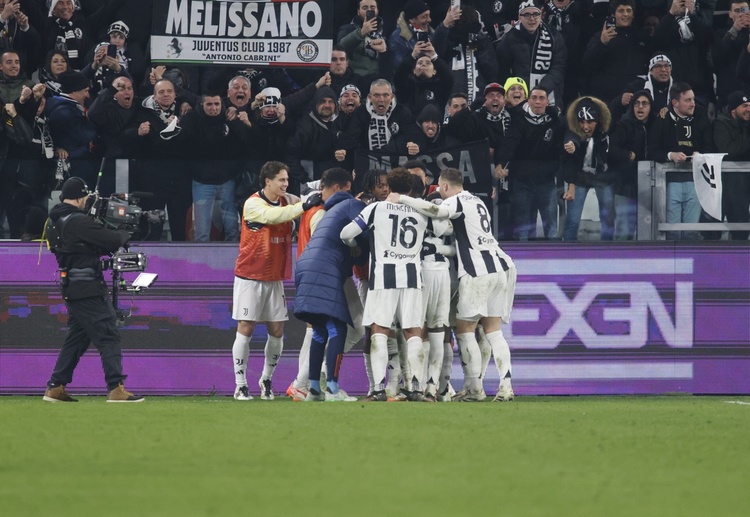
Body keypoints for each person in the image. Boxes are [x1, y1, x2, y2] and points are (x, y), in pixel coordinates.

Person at [386, 167, 517, 402]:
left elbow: (435, 211)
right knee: (494, 331)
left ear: (445, 186)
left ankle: (475, 389)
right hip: (502, 266)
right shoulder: (477, 201)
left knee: (465, 330)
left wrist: (403, 199)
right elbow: (465, 241)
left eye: (439, 186)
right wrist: (440, 248)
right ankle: (506, 386)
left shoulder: (456, 201)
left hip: (478, 271)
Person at [340, 167, 446, 401]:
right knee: (413, 331)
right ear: (410, 188)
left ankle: (378, 389)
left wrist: (353, 245)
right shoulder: (420, 210)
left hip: (383, 278)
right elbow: (440, 227)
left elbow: (346, 233)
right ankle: (416, 388)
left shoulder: (375, 208)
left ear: (389, 187)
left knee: (379, 329)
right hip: (412, 276)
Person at [42, 176, 144, 403]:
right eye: (86, 198)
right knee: (108, 335)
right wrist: (125, 231)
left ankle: (55, 386)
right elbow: (111, 240)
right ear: (80, 198)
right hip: (88, 287)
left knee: (77, 338)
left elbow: (84, 245)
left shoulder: (53, 220)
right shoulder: (78, 221)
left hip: (71, 285)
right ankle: (115, 388)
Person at [231, 161, 319, 401]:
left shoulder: (287, 200)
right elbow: (274, 216)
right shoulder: (253, 204)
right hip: (250, 275)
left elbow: (307, 198)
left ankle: (266, 380)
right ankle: (240, 385)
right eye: (281, 179)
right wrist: (303, 205)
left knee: (277, 330)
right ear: (267, 181)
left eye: (287, 179)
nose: (285, 184)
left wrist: (318, 193)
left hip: (275, 276)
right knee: (246, 327)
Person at [294, 168, 366, 402]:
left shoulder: (327, 211)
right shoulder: (352, 205)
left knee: (320, 330)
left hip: (305, 266)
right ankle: (332, 389)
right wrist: (358, 245)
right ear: (343, 188)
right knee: (337, 329)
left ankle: (314, 389)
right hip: (325, 270)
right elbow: (366, 236)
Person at [495, 85, 564, 240]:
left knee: (551, 227)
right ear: (528, 101)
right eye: (534, 98)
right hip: (521, 182)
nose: (537, 101)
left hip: (546, 181)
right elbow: (509, 144)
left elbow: (562, 146)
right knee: (522, 227)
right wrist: (500, 163)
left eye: (541, 98)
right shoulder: (518, 119)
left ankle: (555, 255)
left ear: (547, 102)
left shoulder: (556, 122)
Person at [648, 82, 713, 240]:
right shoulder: (662, 119)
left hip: (695, 182)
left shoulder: (701, 115)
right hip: (670, 183)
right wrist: (671, 155)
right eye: (688, 100)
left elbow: (710, 145)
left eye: (693, 99)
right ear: (675, 102)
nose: (693, 104)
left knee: (691, 232)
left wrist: (701, 155)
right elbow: (651, 150)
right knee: (673, 233)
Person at [181, 93, 250, 242]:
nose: (214, 108)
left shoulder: (230, 118)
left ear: (222, 104)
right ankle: (202, 258)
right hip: (201, 182)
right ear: (202, 105)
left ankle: (232, 257)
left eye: (217, 104)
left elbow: (245, 142)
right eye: (209, 104)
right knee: (202, 232)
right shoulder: (192, 120)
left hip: (227, 182)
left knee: (232, 229)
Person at [562, 96, 628, 241]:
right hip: (579, 179)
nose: (585, 127)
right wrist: (572, 145)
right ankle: (567, 251)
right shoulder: (572, 132)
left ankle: (607, 251)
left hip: (604, 178)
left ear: (597, 121)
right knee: (572, 220)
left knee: (608, 219)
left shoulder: (607, 131)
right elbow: (571, 143)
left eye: (589, 122)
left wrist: (626, 155)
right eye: (582, 122)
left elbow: (617, 111)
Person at [495, 1, 568, 107]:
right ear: (519, 17)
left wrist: (541, 89)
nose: (532, 19)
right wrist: (514, 92)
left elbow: (559, 67)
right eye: (527, 15)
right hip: (519, 99)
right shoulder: (509, 38)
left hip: (548, 97)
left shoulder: (554, 36)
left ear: (541, 15)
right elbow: (502, 70)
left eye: (535, 14)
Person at [582, 0, 648, 106]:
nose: (625, 14)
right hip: (605, 97)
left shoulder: (639, 38)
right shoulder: (601, 36)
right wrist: (601, 43)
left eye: (628, 11)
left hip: (631, 97)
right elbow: (587, 63)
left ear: (633, 15)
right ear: (613, 14)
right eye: (621, 11)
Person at [609, 89, 654, 240]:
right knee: (624, 231)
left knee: (648, 231)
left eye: (644, 104)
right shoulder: (624, 124)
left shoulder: (655, 125)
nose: (640, 107)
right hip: (626, 184)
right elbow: (610, 149)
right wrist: (627, 154)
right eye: (637, 103)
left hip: (650, 185)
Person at [712, 90, 750, 240]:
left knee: (742, 230)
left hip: (743, 184)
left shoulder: (746, 125)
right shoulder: (720, 123)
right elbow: (728, 150)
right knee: (715, 232)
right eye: (744, 106)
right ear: (734, 109)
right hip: (725, 184)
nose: (748, 109)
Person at [713, 1, 750, 110]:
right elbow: (718, 56)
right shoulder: (720, 33)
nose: (741, 14)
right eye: (737, 11)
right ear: (730, 14)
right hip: (728, 91)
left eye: (744, 10)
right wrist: (735, 29)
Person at [336, 0, 388, 76]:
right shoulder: (348, 29)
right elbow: (340, 48)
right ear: (358, 11)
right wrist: (361, 33)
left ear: (377, 10)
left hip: (378, 77)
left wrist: (383, 51)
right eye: (365, 8)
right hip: (355, 77)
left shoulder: (384, 31)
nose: (369, 10)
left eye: (372, 8)